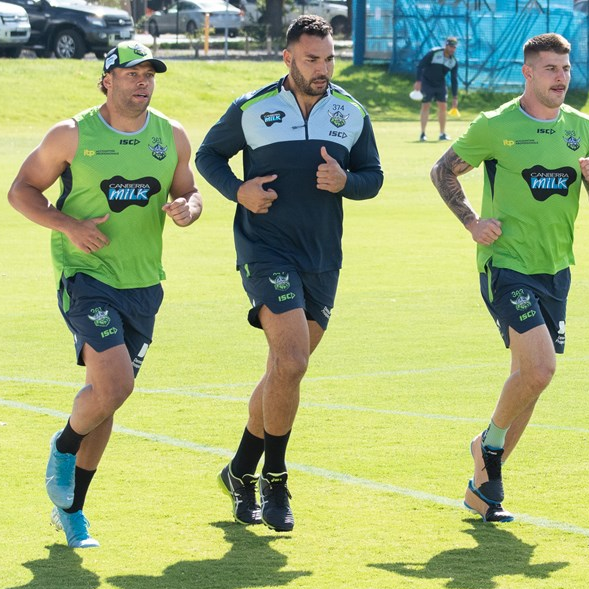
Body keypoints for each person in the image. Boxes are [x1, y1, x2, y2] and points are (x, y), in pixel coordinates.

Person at [8, 40, 203, 548]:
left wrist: (189, 208)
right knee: (115, 386)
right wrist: (67, 224)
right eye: (132, 73)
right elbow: (22, 190)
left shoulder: (171, 134)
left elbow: (188, 189)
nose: (143, 82)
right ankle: (64, 444)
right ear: (107, 80)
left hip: (143, 282)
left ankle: (72, 511)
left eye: (149, 74)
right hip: (86, 276)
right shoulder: (71, 135)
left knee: (106, 400)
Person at [196, 15, 383, 532]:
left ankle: (238, 470)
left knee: (284, 369)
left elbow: (373, 176)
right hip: (266, 250)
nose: (322, 69)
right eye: (311, 59)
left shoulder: (350, 111)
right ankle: (275, 480)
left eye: (328, 59)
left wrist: (347, 181)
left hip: (322, 257)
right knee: (294, 361)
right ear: (287, 58)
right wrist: (239, 190)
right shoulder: (253, 108)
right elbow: (210, 155)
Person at [430, 33, 589, 522]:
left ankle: (483, 488)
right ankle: (489, 445)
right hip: (506, 266)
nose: (560, 78)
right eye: (549, 69)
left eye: (565, 68)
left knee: (529, 380)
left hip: (556, 268)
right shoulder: (495, 126)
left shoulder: (581, 128)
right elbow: (443, 171)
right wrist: (472, 222)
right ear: (527, 72)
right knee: (541, 370)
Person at [414, 36, 459, 142]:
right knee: (426, 106)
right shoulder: (434, 53)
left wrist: (455, 97)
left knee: (443, 107)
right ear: (446, 45)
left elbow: (454, 80)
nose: (452, 49)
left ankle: (442, 133)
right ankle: (423, 134)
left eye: (454, 47)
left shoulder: (453, 62)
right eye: (450, 46)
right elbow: (420, 65)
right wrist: (418, 81)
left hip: (440, 84)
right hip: (427, 82)